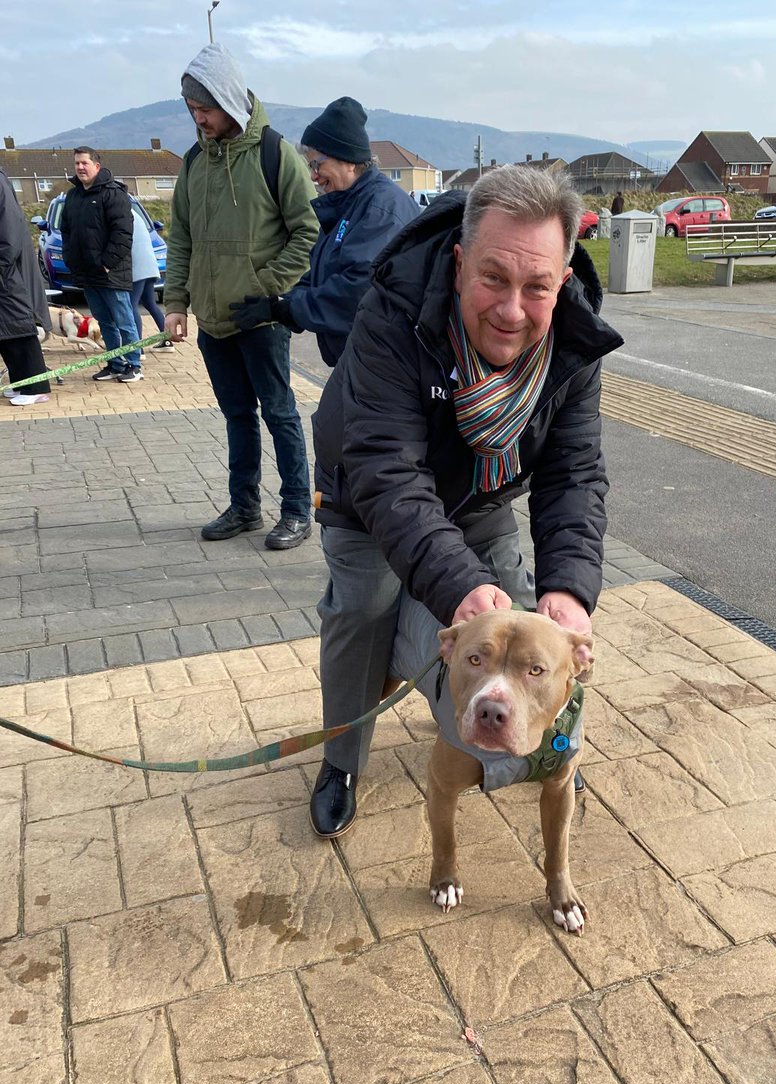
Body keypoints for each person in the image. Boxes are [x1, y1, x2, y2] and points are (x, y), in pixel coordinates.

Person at [307, 165, 623, 837]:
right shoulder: (392, 314)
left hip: (479, 499)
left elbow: (574, 472)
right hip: (365, 498)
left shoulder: (575, 342)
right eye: (493, 279)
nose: (512, 310)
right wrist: (456, 587)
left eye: (536, 286)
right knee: (364, 609)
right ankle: (342, 759)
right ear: (458, 264)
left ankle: (544, 751)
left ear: (561, 282)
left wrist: (569, 590)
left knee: (523, 622)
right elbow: (385, 468)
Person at [164, 43, 319, 550]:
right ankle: (244, 506)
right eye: (192, 109)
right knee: (236, 416)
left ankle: (297, 510)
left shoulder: (277, 155)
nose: (198, 118)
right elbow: (181, 237)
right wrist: (175, 304)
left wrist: (267, 289)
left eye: (204, 109)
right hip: (213, 322)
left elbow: (308, 231)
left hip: (263, 321)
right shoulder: (193, 163)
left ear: (229, 101)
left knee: (280, 414)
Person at [230, 96, 419, 367]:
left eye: (317, 164)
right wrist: (281, 301)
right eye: (311, 166)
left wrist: (288, 309)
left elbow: (357, 290)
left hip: (384, 363)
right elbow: (323, 274)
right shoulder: (348, 205)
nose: (313, 176)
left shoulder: (380, 211)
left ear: (350, 160)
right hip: (360, 358)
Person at [60, 147, 142, 382]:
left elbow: (123, 232)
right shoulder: (73, 196)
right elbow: (66, 231)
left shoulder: (113, 193)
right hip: (86, 273)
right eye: (76, 163)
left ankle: (133, 364)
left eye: (84, 163)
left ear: (97, 165)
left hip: (111, 272)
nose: (80, 167)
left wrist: (107, 263)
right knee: (104, 321)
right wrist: (70, 259)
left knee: (124, 319)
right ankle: (115, 363)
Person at [0, 165, 53, 406]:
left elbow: (9, 231)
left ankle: (36, 387)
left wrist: (2, 263)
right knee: (6, 331)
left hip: (7, 271)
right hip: (6, 269)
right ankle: (20, 381)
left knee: (18, 326)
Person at [129, 210, 172, 352]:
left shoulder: (120, 212)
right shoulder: (134, 213)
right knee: (149, 303)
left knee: (131, 305)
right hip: (149, 265)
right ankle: (167, 340)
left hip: (137, 266)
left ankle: (137, 349)